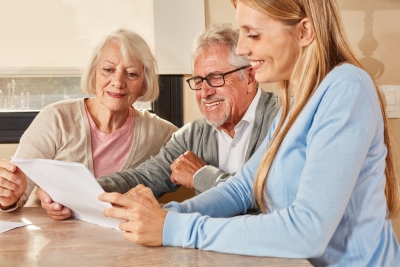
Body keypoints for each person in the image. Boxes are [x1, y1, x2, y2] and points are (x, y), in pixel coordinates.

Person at [99, 1, 400, 266]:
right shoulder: (293, 106)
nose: (242, 48)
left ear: (304, 32)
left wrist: (174, 227)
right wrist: (168, 213)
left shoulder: (346, 88)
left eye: (253, 34)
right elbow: (243, 189)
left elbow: (308, 230)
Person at [0, 29, 178, 219]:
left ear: (145, 83)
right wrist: (9, 194)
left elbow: (198, 152)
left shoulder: (161, 133)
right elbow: (16, 193)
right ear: (93, 74)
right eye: (108, 70)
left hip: (124, 240)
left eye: (132, 74)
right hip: (52, 238)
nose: (118, 82)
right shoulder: (56, 118)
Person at [97, 23, 278, 197]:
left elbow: (272, 197)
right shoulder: (193, 135)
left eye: (216, 78)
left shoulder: (286, 118)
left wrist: (202, 176)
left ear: (249, 78)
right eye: (199, 81)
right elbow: (143, 178)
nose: (204, 93)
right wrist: (81, 192)